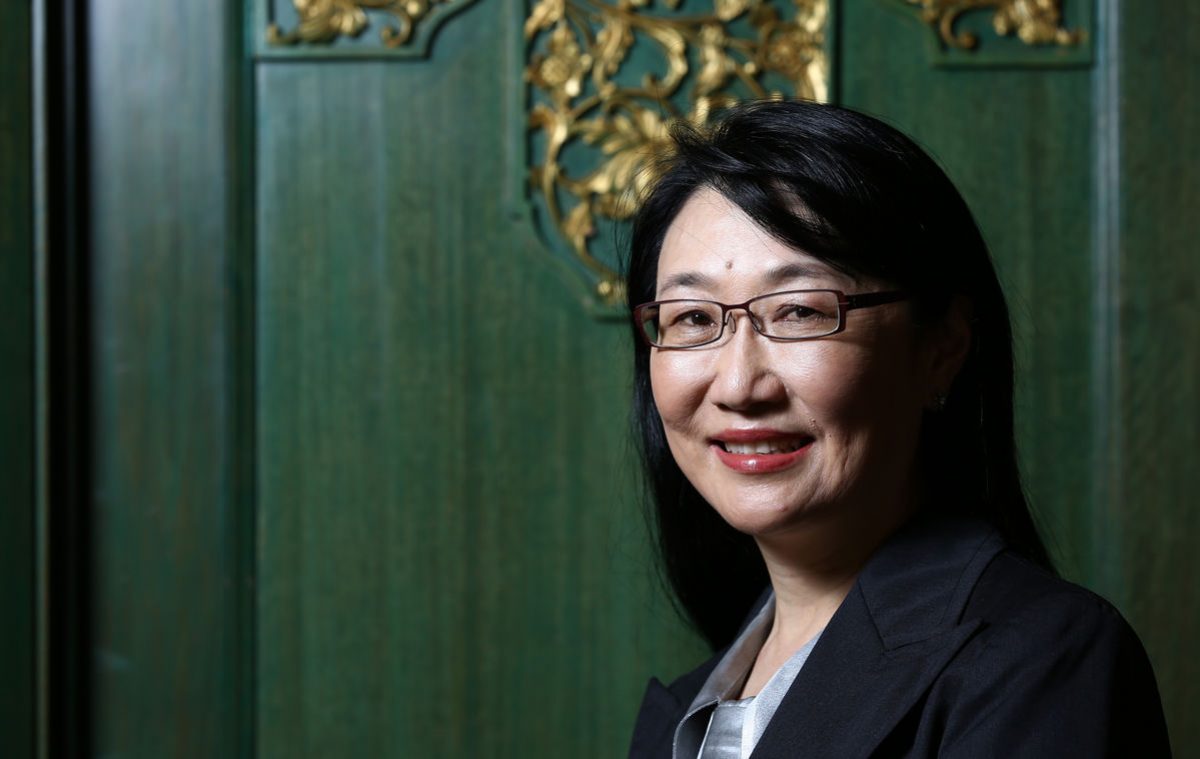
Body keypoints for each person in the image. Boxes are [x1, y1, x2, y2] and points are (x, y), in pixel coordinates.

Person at [624, 100, 1171, 758]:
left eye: (800, 310)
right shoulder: (686, 711)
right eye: (691, 318)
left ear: (941, 346)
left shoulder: (1041, 663)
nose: (739, 385)